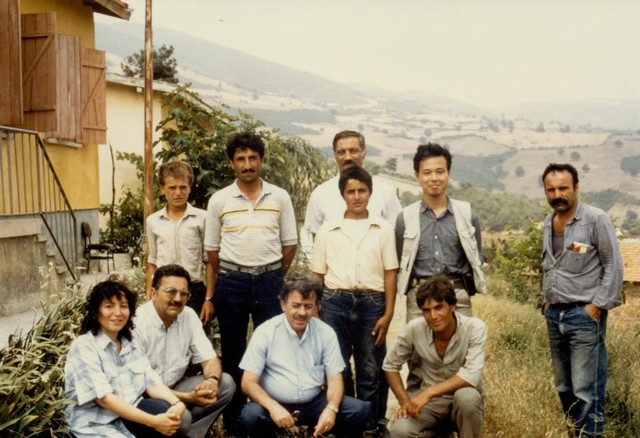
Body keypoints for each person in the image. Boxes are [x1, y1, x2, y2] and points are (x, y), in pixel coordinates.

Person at [204, 131, 298, 434]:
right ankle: (235, 422)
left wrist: (273, 273)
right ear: (232, 163)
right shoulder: (219, 200)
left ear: (262, 160)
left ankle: (267, 418)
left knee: (271, 350)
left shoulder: (280, 197)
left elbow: (289, 245)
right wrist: (233, 273)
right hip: (231, 282)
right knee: (233, 352)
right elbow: (212, 251)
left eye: (252, 158)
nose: (247, 164)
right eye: (241, 159)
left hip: (270, 281)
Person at [311, 166, 398, 436]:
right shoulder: (328, 229)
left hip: (372, 303)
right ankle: (347, 424)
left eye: (362, 191)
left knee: (370, 367)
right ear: (343, 195)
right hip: (335, 301)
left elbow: (390, 273)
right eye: (351, 191)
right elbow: (318, 275)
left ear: (370, 193)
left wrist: (388, 313)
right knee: (338, 366)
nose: (357, 196)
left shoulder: (383, 229)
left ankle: (370, 427)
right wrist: (315, 311)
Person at [541, 163, 623, 437]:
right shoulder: (548, 223)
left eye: (563, 188)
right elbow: (549, 266)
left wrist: (596, 307)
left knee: (587, 391)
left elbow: (614, 266)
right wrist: (546, 303)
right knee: (564, 388)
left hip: (584, 317)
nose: (557, 194)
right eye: (551, 189)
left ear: (576, 187)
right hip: (555, 316)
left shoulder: (595, 220)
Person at [237, 276, 371, 438]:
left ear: (316, 306)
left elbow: (335, 379)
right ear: (283, 305)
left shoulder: (325, 333)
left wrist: (331, 409)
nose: (302, 313)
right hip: (274, 402)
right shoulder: (265, 332)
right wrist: (273, 407)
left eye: (308, 306)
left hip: (313, 403)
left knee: (358, 410)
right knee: (250, 416)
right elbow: (248, 383)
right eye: (296, 306)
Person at [64, 280, 186, 438]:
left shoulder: (130, 343)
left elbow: (151, 381)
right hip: (95, 424)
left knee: (167, 412)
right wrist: (154, 421)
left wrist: (177, 403)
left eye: (123, 306)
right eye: (109, 306)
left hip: (128, 416)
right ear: (95, 312)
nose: (118, 313)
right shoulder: (84, 346)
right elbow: (104, 399)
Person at [133, 264, 236, 438]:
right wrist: (187, 398)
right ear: (153, 293)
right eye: (171, 292)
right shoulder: (138, 322)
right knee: (183, 418)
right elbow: (141, 384)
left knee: (226, 383)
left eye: (183, 294)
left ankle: (193, 434)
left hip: (175, 387)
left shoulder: (188, 316)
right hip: (144, 395)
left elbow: (210, 359)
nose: (177, 299)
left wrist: (211, 381)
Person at [383, 275, 486, 438]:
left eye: (439, 307)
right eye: (426, 310)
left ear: (453, 306)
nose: (433, 316)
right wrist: (406, 403)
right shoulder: (415, 329)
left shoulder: (474, 327)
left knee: (468, 397)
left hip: (460, 402)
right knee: (399, 432)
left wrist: (429, 392)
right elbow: (390, 365)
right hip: (430, 406)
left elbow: (471, 374)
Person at [396, 143, 486, 322]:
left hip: (458, 298)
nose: (434, 178)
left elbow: (476, 257)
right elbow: (400, 261)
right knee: (418, 341)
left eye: (439, 171)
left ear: (448, 173)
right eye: (427, 172)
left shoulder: (467, 214)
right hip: (419, 299)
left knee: (461, 340)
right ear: (417, 175)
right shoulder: (405, 218)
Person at [146, 161, 214, 325]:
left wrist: (209, 298)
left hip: (193, 291)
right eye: (172, 187)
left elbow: (209, 261)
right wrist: (149, 296)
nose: (178, 193)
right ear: (162, 188)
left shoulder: (202, 218)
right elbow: (152, 262)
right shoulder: (153, 221)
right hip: (164, 291)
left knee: (194, 334)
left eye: (183, 187)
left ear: (190, 187)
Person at [304, 130, 401, 238]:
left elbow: (396, 234)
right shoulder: (320, 194)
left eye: (353, 151)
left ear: (364, 154)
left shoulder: (386, 193)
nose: (347, 157)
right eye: (341, 152)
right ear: (335, 156)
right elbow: (312, 236)